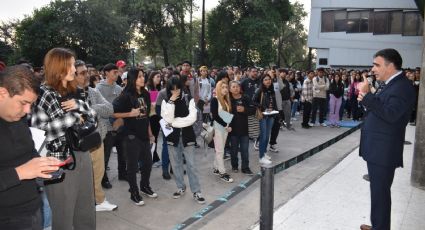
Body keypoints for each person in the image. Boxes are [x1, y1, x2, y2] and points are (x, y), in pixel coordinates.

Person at [31, 47, 96, 229]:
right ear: (59, 67)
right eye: (72, 65)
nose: (75, 69)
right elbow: (41, 133)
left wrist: (80, 105)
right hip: (59, 163)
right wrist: (73, 117)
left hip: (83, 154)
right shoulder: (44, 94)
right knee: (63, 217)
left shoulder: (76, 91)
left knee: (86, 212)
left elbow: (94, 120)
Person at [357, 48, 415, 230]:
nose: (373, 69)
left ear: (390, 66)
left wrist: (367, 97)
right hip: (379, 148)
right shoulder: (392, 84)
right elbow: (383, 107)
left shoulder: (402, 87)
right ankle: (378, 226)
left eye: (377, 65)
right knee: (378, 192)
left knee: (380, 193)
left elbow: (391, 114)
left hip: (383, 150)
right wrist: (368, 98)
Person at [0, 65, 62, 230]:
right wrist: (21, 172)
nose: (27, 111)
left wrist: (42, 164)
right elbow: (20, 169)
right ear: (2, 93)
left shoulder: (17, 117)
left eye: (31, 105)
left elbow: (28, 151)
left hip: (33, 207)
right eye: (24, 103)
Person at [74, 60, 118, 212]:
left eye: (87, 72)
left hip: (96, 138)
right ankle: (86, 203)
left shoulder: (93, 92)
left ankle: (99, 200)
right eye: (82, 73)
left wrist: (89, 108)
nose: (87, 75)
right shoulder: (68, 95)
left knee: (98, 172)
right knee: (81, 177)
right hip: (77, 144)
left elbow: (109, 109)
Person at [113, 68, 157, 205]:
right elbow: (113, 113)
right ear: (132, 79)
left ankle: (144, 186)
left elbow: (146, 116)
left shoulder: (145, 93)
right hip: (130, 135)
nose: (142, 79)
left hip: (144, 134)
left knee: (148, 163)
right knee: (132, 167)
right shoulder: (125, 95)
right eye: (139, 77)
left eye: (143, 76)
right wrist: (129, 114)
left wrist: (150, 133)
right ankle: (134, 192)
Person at [161, 76, 206, 204]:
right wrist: (171, 102)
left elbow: (192, 118)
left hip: (187, 136)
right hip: (172, 137)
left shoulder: (189, 99)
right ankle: (181, 187)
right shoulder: (166, 101)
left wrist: (175, 122)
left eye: (177, 88)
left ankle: (196, 191)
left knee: (191, 164)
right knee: (175, 165)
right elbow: (168, 119)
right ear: (169, 89)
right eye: (172, 89)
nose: (175, 92)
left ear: (181, 87)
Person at [229, 81, 254, 175]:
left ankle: (245, 167)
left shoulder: (245, 98)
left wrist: (244, 110)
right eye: (233, 87)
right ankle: (234, 166)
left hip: (244, 130)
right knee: (233, 150)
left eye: (237, 86)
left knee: (245, 150)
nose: (236, 88)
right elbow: (223, 113)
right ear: (230, 89)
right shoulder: (228, 99)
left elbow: (253, 110)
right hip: (232, 130)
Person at [211, 81, 234, 183]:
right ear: (218, 89)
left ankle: (216, 167)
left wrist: (229, 125)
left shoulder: (225, 100)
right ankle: (222, 172)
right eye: (222, 87)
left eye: (226, 87)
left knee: (219, 150)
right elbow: (215, 116)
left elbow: (226, 115)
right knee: (220, 151)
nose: (225, 89)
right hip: (218, 129)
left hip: (224, 129)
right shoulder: (215, 100)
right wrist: (226, 125)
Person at [253, 73, 277, 165]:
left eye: (269, 79)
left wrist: (274, 110)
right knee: (263, 136)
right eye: (266, 79)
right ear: (262, 81)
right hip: (263, 116)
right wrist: (263, 108)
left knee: (267, 136)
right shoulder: (260, 90)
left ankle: (264, 153)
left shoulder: (271, 90)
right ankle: (261, 157)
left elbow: (273, 102)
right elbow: (253, 101)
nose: (268, 81)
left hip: (271, 115)